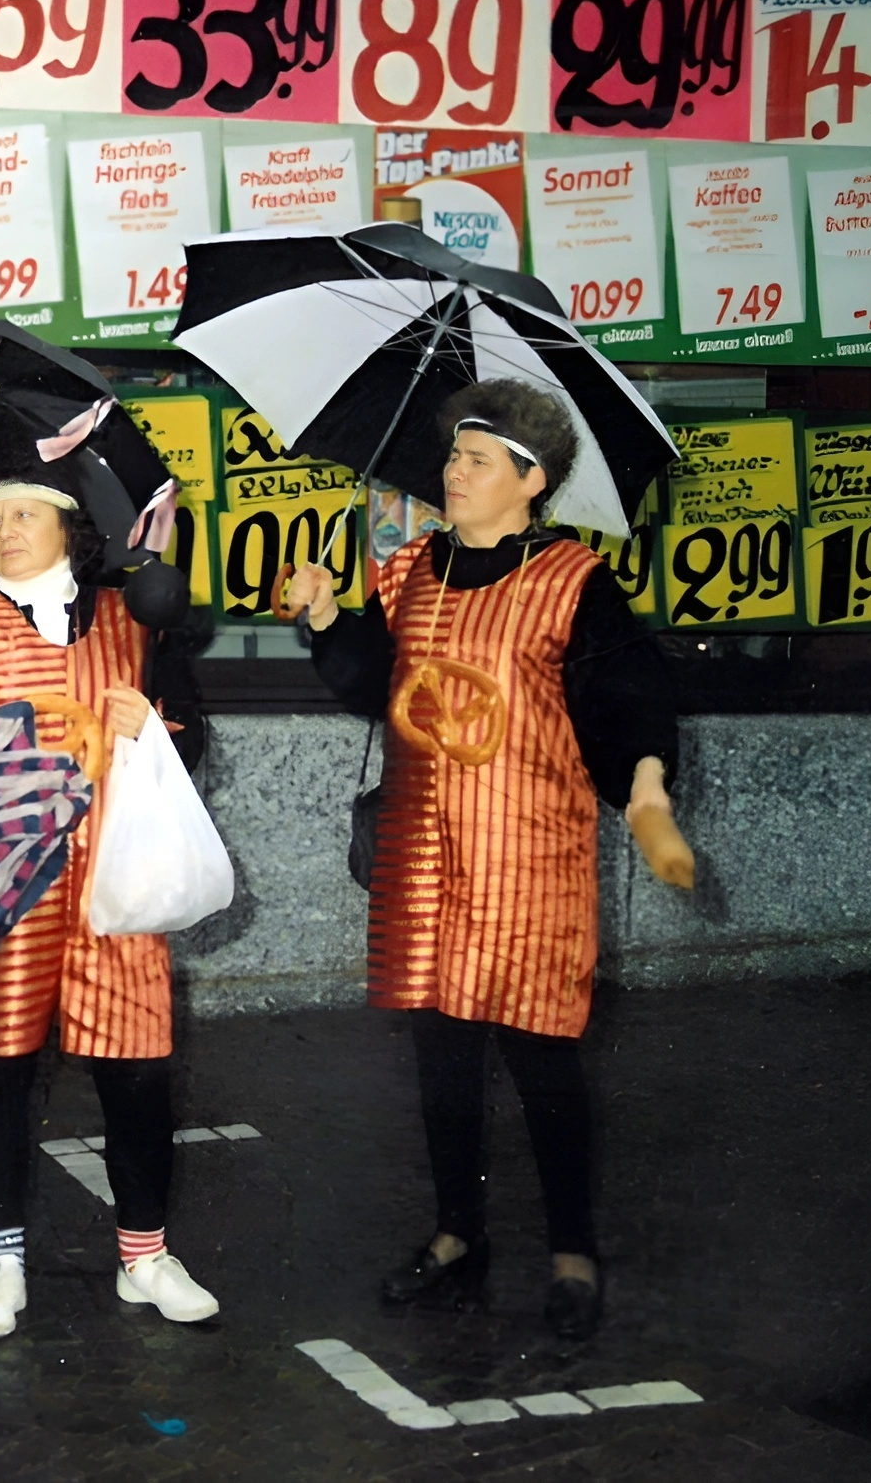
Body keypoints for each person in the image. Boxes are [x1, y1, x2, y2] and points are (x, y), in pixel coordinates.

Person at [291, 379, 683, 1342]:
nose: (453, 473)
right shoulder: (412, 568)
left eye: (476, 460)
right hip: (425, 855)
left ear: (531, 480)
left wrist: (647, 792)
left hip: (527, 861)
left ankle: (573, 1252)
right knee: (442, 1060)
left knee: (542, 1058)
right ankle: (457, 1233)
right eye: (453, 456)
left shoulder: (573, 581)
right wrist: (329, 618)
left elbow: (631, 700)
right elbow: (372, 687)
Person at [0, 460, 218, 1339]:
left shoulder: (134, 621)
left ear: (72, 528)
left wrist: (155, 728)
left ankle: (145, 1257)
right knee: (0, 1069)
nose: (6, 533)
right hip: (1, 887)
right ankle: (0, 1262)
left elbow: (194, 736)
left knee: (136, 1071)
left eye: (26, 514)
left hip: (114, 880)